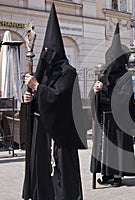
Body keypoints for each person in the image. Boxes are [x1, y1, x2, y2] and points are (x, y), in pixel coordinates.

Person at [22, 4, 87, 200]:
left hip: (61, 133)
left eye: (50, 51)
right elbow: (38, 95)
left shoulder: (68, 72)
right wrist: (30, 99)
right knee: (41, 168)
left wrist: (37, 88)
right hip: (42, 130)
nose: (46, 56)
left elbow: (59, 98)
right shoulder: (45, 71)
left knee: (61, 173)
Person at [91, 23, 135, 187]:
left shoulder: (125, 76)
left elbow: (124, 98)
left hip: (119, 119)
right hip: (105, 117)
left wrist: (106, 90)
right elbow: (96, 96)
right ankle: (107, 173)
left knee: (117, 148)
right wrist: (96, 91)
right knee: (106, 149)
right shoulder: (104, 75)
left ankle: (117, 175)